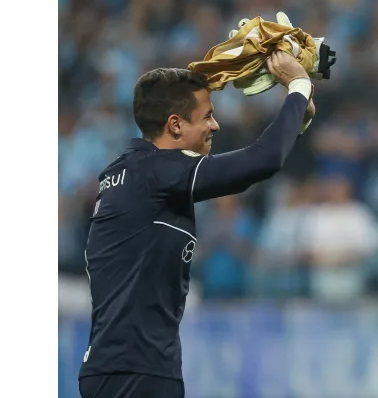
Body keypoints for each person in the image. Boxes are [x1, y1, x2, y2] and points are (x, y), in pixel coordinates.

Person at [78, 51, 314, 398]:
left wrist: (297, 119)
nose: (215, 126)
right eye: (207, 116)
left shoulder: (130, 171)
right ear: (175, 125)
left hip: (118, 368)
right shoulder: (158, 173)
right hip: (137, 372)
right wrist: (298, 86)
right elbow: (261, 161)